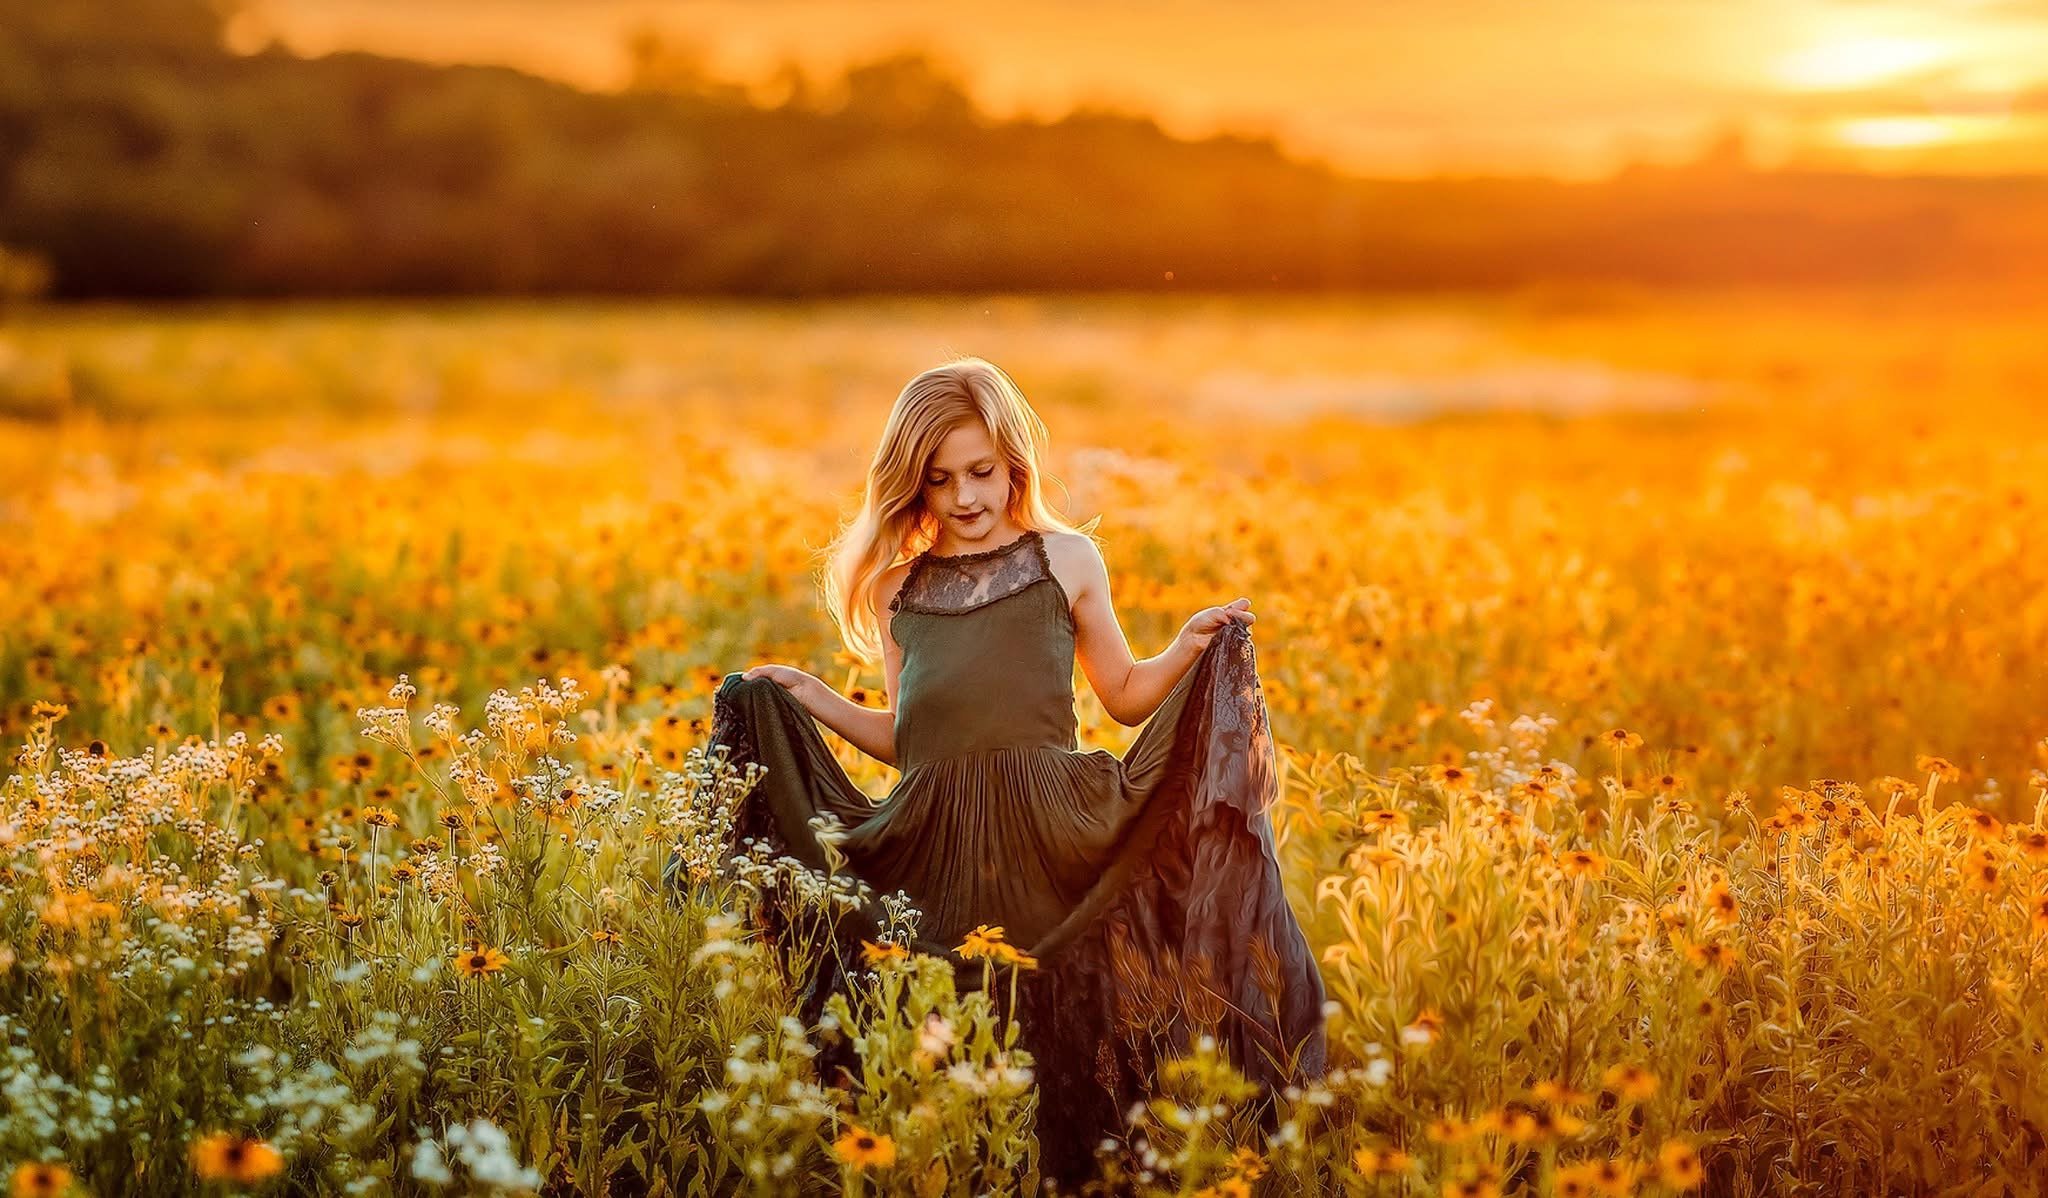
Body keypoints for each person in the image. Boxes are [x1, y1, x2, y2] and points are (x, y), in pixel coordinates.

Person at [669, 355, 1326, 1189]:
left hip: (1057, 836)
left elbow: (1122, 697)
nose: (966, 497)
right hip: (937, 846)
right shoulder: (897, 588)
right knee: (947, 1034)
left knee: (1068, 1033)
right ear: (912, 486)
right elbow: (916, 741)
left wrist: (1187, 648)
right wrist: (809, 697)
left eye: (981, 472)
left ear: (1015, 463)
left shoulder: (1066, 559)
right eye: (940, 480)